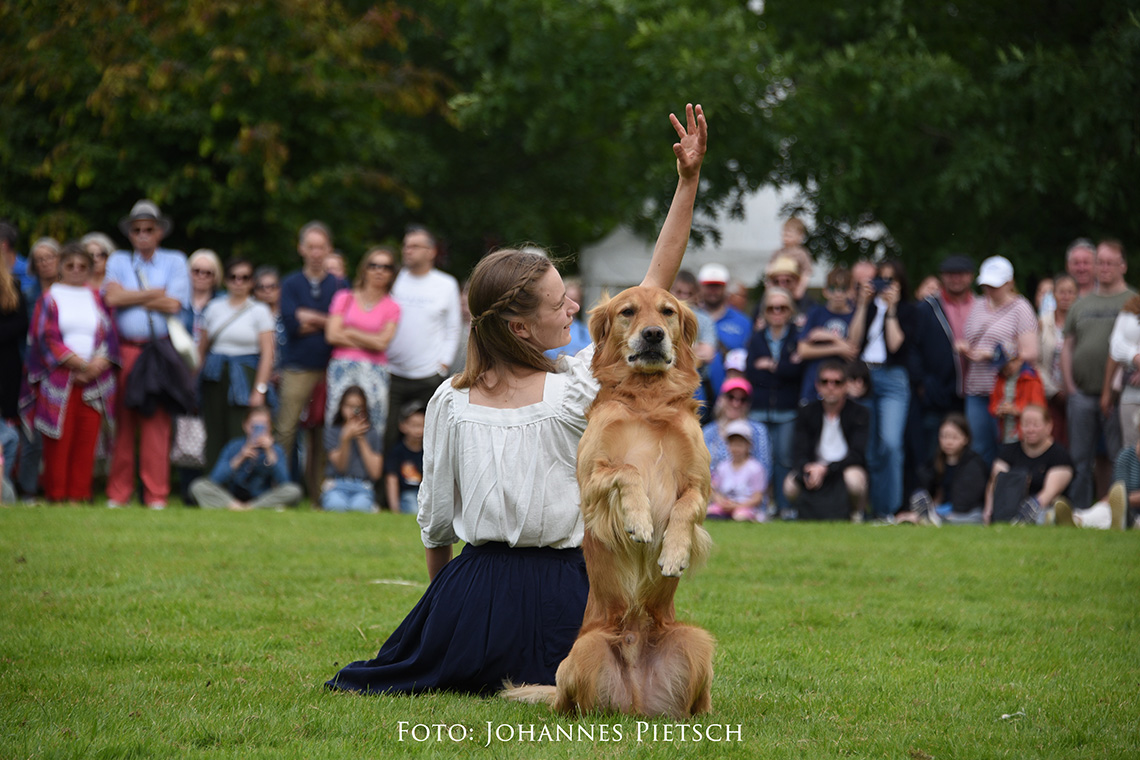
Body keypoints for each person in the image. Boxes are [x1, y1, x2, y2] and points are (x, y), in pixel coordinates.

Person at [326, 103, 706, 696]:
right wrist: (686, 183)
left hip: (470, 591)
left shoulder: (450, 400)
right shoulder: (572, 388)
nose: (575, 311)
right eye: (560, 305)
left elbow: (436, 524)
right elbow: (656, 278)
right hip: (562, 593)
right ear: (521, 329)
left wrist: (440, 610)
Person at [103, 199, 190, 509]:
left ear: (159, 232)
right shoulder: (118, 261)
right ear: (130, 233)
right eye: (136, 229)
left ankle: (156, 495)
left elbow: (174, 305)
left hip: (159, 350)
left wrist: (132, 296)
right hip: (127, 349)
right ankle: (119, 493)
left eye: (148, 229)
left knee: (156, 423)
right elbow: (112, 297)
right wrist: (156, 292)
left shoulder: (175, 260)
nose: (142, 234)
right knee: (124, 422)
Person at [19, 243, 119, 502]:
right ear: (61, 267)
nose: (76, 270)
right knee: (57, 440)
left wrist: (97, 363)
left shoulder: (97, 298)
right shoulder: (50, 297)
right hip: (59, 379)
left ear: (89, 269)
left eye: (82, 266)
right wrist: (78, 366)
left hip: (93, 383)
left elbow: (109, 335)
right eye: (70, 265)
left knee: (86, 440)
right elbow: (45, 338)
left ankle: (79, 496)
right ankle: (57, 494)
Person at [1061, 239, 1135, 508]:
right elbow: (1068, 346)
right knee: (1080, 457)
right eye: (1099, 262)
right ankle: (1079, 510)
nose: (1103, 268)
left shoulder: (1133, 301)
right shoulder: (1081, 304)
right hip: (1081, 394)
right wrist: (1069, 386)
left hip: (1120, 394)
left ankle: (1118, 511)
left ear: (1123, 266)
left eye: (1110, 263)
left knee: (1120, 456)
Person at [277, 221, 348, 497]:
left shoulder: (340, 285)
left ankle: (319, 493)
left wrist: (312, 317)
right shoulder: (291, 283)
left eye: (321, 247)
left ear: (328, 249)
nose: (316, 253)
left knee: (324, 432)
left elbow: (340, 327)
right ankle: (280, 487)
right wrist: (327, 322)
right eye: (311, 247)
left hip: (332, 366)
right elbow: (292, 325)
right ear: (301, 249)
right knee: (286, 428)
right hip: (297, 366)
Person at [382, 226, 462, 454]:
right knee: (388, 436)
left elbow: (453, 328)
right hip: (392, 372)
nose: (408, 251)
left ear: (431, 252)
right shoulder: (394, 280)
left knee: (430, 441)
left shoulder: (446, 284)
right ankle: (386, 489)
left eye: (415, 246)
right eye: (406, 245)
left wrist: (443, 364)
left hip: (428, 375)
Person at [848, 259, 914, 518]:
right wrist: (863, 305)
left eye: (891, 280)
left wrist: (891, 309)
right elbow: (852, 340)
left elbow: (896, 344)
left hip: (893, 378)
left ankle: (892, 508)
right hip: (864, 376)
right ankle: (872, 510)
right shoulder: (868, 306)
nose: (885, 286)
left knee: (891, 444)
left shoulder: (908, 310)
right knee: (870, 449)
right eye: (881, 279)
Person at [958, 255, 1038, 467]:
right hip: (976, 389)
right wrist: (965, 347)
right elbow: (971, 337)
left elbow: (1030, 352)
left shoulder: (1021, 308)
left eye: (994, 285)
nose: (989, 290)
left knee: (1007, 449)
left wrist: (992, 354)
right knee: (978, 449)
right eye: (986, 285)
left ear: (1009, 283)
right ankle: (981, 496)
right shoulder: (978, 305)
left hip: (1005, 390)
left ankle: (1006, 495)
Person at [197, 258, 276, 472]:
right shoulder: (214, 307)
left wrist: (260, 388)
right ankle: (213, 481)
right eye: (234, 277)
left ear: (251, 282)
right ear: (226, 280)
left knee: (240, 431)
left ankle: (241, 484)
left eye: (245, 277)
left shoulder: (259, 310)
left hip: (245, 376)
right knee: (213, 430)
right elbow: (202, 349)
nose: (238, 282)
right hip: (215, 375)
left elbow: (268, 353)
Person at [908, 255, 975, 480]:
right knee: (931, 449)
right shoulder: (926, 308)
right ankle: (928, 500)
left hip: (973, 392)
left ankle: (963, 502)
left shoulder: (982, 306)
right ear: (942, 277)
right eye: (950, 274)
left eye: (961, 273)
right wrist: (923, 383)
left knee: (970, 450)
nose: (956, 279)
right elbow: (912, 348)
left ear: (970, 276)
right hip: (936, 393)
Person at [325, 246, 401, 434]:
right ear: (364, 269)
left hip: (375, 370)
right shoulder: (344, 297)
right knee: (336, 420)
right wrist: (370, 340)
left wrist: (350, 331)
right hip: (342, 367)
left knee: (373, 423)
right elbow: (332, 335)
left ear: (392, 273)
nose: (379, 270)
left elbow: (382, 343)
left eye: (386, 267)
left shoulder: (392, 307)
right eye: (373, 265)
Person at [784, 360, 869, 521]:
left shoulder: (859, 413)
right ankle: (801, 512)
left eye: (837, 382)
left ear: (845, 386)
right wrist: (808, 467)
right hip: (814, 468)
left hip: (843, 468)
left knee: (855, 480)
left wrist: (828, 468)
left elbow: (857, 454)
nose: (831, 387)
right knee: (789, 484)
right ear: (818, 386)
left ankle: (855, 514)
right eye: (825, 382)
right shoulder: (807, 412)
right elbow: (798, 451)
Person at [745, 286, 802, 518]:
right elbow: (752, 372)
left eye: (782, 307)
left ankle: (783, 505)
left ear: (790, 311)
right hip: (759, 409)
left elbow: (797, 370)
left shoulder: (798, 337)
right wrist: (783, 368)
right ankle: (760, 506)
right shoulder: (756, 338)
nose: (777, 312)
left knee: (784, 458)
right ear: (764, 311)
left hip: (787, 410)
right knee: (759, 460)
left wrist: (772, 367)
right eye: (771, 308)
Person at [189, 406, 301, 511]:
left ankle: (249, 507)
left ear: (270, 427)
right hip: (232, 496)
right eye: (254, 426)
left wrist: (270, 453)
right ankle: (233, 505)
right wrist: (240, 457)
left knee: (294, 491)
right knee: (198, 486)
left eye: (263, 426)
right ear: (245, 426)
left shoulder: (276, 449)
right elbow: (215, 479)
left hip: (262, 497)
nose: (258, 430)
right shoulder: (234, 446)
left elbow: (285, 482)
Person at [985, 405, 1073, 525]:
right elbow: (994, 483)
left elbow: (1049, 494)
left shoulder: (1060, 456)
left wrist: (1024, 514)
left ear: (1049, 426)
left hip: (1042, 508)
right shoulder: (1007, 452)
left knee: (1046, 516)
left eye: (1036, 425)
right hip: (1008, 508)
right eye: (1026, 424)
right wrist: (989, 511)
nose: (1030, 429)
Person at [903, 413, 989, 525]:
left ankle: (934, 519)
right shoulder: (937, 462)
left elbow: (967, 500)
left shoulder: (974, 464)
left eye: (954, 437)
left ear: (965, 438)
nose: (948, 442)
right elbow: (927, 488)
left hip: (967, 512)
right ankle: (931, 518)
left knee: (973, 518)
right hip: (942, 509)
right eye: (944, 436)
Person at [797, 266, 856, 402]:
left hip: (843, 387)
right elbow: (803, 350)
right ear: (825, 291)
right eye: (833, 289)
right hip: (814, 385)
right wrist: (839, 348)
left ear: (851, 291)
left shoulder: (855, 315)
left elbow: (852, 351)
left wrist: (830, 336)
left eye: (843, 289)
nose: (838, 294)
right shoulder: (816, 313)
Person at [321, 385, 384, 512]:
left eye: (358, 407)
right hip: (337, 484)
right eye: (349, 406)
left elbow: (375, 473)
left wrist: (361, 438)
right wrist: (345, 439)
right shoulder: (332, 431)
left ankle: (371, 505)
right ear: (341, 407)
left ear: (365, 409)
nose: (353, 411)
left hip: (363, 486)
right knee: (336, 505)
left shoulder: (372, 433)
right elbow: (341, 467)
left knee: (360, 507)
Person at [697, 261, 751, 402]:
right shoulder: (690, 318)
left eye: (717, 286)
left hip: (732, 399)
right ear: (700, 287)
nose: (713, 291)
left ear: (726, 288)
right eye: (709, 286)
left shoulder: (743, 322)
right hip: (695, 395)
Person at [702, 377, 772, 478]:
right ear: (721, 399)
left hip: (750, 491)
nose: (736, 404)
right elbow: (703, 471)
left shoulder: (759, 431)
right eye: (731, 397)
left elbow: (765, 471)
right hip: (715, 491)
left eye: (742, 400)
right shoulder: (708, 432)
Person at [1038, 273, 1076, 446]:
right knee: (1053, 438)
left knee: (1075, 441)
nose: (1066, 296)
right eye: (1062, 292)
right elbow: (1036, 361)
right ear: (1054, 294)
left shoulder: (1081, 322)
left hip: (1076, 392)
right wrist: (1053, 390)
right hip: (1049, 392)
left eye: (1070, 292)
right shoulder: (1042, 323)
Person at [708, 419, 768, 522]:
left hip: (746, 506)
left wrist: (738, 505)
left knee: (740, 516)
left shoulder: (755, 468)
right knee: (709, 512)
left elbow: (758, 497)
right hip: (726, 505)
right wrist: (720, 501)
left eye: (740, 444)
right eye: (733, 444)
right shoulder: (722, 467)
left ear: (748, 446)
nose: (736, 448)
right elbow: (714, 490)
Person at [988, 354, 1046, 444]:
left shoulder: (1031, 378)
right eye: (1002, 366)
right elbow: (993, 403)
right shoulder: (999, 379)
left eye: (1007, 365)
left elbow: (1039, 408)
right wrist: (998, 409)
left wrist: (1016, 410)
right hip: (1005, 431)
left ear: (1018, 360)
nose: (1004, 369)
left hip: (1024, 435)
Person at [1108, 294, 1140, 454]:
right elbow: (1115, 345)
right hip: (1131, 395)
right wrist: (1135, 357)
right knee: (1130, 451)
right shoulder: (1131, 308)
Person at [384, 400, 426, 515]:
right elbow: (391, 479)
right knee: (413, 506)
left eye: (422, 425)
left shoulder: (430, 451)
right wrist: (395, 510)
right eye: (414, 425)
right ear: (402, 426)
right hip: (407, 494)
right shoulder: (397, 452)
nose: (418, 430)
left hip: (426, 494)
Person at [543, 277, 590, 361]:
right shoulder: (548, 327)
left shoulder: (583, 331)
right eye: (568, 299)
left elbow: (589, 354)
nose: (572, 304)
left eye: (576, 300)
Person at [183, 249, 222, 339]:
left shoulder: (222, 301)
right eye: (196, 271)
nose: (201, 276)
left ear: (215, 276)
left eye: (208, 273)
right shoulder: (178, 300)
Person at [25, 237, 61, 316]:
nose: (45, 263)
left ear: (60, 259)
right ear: (34, 265)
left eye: (49, 257)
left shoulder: (69, 290)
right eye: (39, 260)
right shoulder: (28, 296)